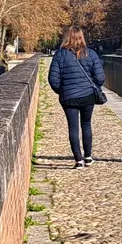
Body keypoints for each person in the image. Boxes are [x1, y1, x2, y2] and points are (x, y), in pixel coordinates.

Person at [48, 27, 107, 169]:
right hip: (87, 96)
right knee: (86, 124)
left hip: (68, 97)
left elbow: (53, 79)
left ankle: (78, 160)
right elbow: (100, 77)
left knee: (73, 127)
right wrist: (92, 86)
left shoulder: (60, 55)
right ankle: (88, 156)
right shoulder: (91, 54)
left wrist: (62, 91)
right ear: (82, 37)